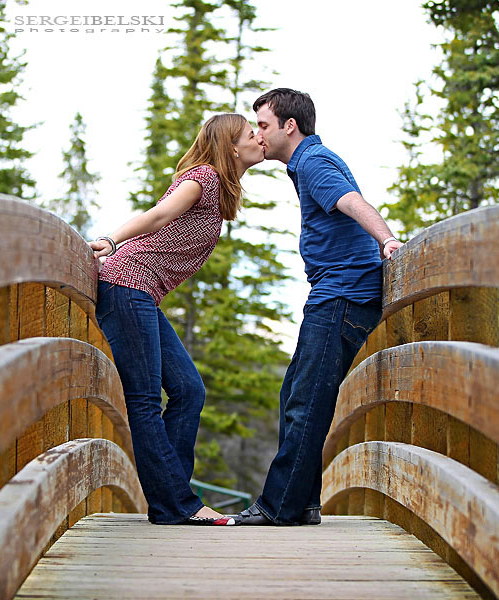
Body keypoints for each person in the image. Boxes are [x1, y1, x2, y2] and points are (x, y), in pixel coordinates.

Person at [231, 88, 404, 526]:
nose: (259, 135)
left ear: (291, 126)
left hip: (343, 295)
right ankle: (302, 503)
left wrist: (387, 239)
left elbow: (351, 201)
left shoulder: (313, 162)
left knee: (306, 401)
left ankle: (278, 507)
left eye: (264, 125)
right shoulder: (308, 163)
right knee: (295, 394)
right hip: (338, 293)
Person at [88, 113, 264, 525]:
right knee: (146, 401)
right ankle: (178, 505)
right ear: (231, 147)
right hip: (127, 283)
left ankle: (172, 501)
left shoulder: (219, 189)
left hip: (142, 294)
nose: (257, 137)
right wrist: (112, 239)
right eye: (249, 133)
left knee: (189, 389)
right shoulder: (203, 177)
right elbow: (158, 216)